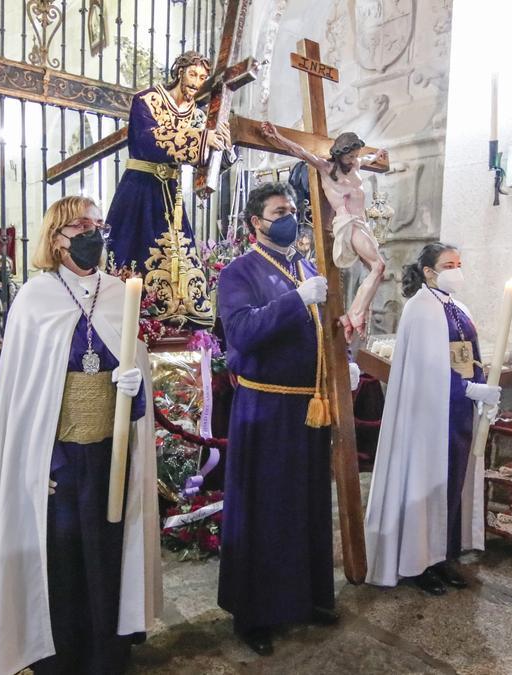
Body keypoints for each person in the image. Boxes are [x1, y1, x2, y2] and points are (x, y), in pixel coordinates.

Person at [0, 196, 161, 675]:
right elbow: (26, 393)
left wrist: (133, 386)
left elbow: (135, 378)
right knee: (62, 552)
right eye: (81, 225)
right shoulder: (36, 299)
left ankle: (108, 653)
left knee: (108, 550)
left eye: (99, 225)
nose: (93, 233)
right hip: (58, 461)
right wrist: (47, 460)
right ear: (57, 238)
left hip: (110, 454)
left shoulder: (119, 293)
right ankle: (63, 657)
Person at [216, 182, 360, 656]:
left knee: (304, 506)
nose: (290, 217)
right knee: (264, 510)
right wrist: (296, 299)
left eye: (293, 210)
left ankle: (307, 597)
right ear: (256, 221)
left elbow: (321, 331)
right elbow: (240, 332)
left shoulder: (306, 265)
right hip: (265, 409)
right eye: (280, 211)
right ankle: (253, 613)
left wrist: (343, 361)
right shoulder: (239, 271)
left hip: (307, 408)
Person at [364, 243, 501, 594]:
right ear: (429, 271)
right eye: (448, 264)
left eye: (459, 263)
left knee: (452, 484)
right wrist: (467, 390)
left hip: (457, 414)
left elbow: (471, 356)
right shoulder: (420, 308)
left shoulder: (458, 307)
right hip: (428, 415)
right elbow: (427, 367)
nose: (456, 269)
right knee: (425, 484)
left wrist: (483, 387)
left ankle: (444, 555)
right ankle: (417, 562)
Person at [105, 50, 230, 328]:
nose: (197, 81)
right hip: (140, 188)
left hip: (172, 194)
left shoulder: (198, 116)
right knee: (132, 251)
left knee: (182, 255)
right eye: (193, 74)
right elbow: (149, 140)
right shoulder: (147, 100)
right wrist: (201, 139)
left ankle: (180, 317)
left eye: (202, 77)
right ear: (179, 72)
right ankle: (134, 317)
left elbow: (206, 162)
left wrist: (223, 147)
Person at [259, 122, 388, 341]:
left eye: (356, 155)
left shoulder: (356, 165)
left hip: (362, 223)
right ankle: (355, 314)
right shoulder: (326, 169)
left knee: (376, 272)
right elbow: (299, 151)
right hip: (348, 223)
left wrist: (378, 154)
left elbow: (367, 159)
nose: (353, 160)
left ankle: (354, 314)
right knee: (379, 266)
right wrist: (277, 136)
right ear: (338, 154)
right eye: (349, 156)